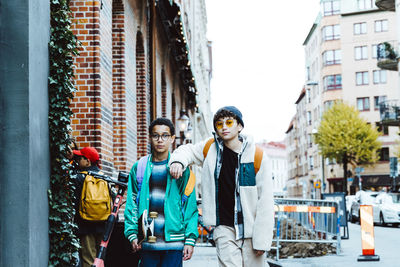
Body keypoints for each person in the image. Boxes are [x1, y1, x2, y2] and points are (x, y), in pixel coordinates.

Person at [169, 106, 274, 267]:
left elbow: (265, 201)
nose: (224, 127)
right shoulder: (210, 148)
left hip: (251, 231)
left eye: (229, 122)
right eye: (219, 124)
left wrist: (262, 240)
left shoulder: (257, 156)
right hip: (223, 228)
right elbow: (187, 150)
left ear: (239, 126)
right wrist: (178, 161)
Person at [124, 118, 198, 267]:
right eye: (155, 135)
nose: (160, 140)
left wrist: (190, 240)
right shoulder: (139, 168)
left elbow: (190, 207)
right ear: (150, 138)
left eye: (165, 135)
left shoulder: (182, 170)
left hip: (174, 243)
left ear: (172, 138)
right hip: (147, 242)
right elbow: (131, 203)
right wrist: (132, 234)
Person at [72, 146, 107, 267]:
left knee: (88, 259)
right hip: (103, 224)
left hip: (85, 225)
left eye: (80, 158)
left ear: (88, 161)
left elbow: (75, 203)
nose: (77, 160)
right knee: (100, 258)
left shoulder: (79, 177)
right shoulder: (104, 177)